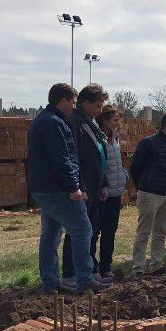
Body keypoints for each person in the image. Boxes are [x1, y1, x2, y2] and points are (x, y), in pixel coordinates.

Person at [27, 83, 105, 294]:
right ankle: (84, 281)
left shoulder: (43, 120)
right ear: (63, 101)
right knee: (82, 229)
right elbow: (62, 159)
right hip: (59, 189)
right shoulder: (55, 124)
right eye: (72, 101)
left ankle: (50, 284)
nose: (74, 105)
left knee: (51, 235)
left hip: (43, 188)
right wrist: (74, 187)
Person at [61, 83, 110, 290]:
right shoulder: (74, 121)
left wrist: (104, 184)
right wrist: (82, 187)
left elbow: (100, 154)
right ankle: (71, 273)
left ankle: (88, 270)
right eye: (98, 106)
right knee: (78, 231)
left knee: (90, 231)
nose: (100, 111)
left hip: (95, 186)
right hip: (84, 188)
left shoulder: (90, 122)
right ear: (86, 102)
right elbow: (76, 158)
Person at [130, 113, 166, 276]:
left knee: (161, 231)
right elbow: (135, 168)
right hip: (149, 194)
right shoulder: (147, 143)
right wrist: (140, 187)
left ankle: (156, 265)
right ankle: (139, 268)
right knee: (144, 232)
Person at [90, 105, 128, 279]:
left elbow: (117, 162)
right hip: (103, 193)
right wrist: (103, 186)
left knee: (110, 231)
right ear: (104, 120)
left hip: (116, 192)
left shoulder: (116, 138)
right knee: (95, 231)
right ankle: (92, 267)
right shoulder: (98, 139)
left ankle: (106, 266)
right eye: (115, 120)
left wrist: (124, 175)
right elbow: (99, 166)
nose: (117, 123)